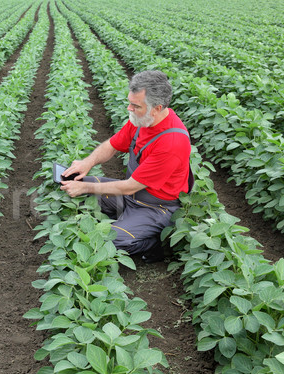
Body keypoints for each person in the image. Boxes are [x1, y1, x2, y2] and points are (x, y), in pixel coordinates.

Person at [60, 70, 193, 263]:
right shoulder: (142, 120)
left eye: (135, 105)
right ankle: (126, 222)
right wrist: (86, 163)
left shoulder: (172, 141)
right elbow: (112, 145)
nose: (129, 108)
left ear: (156, 108)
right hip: (130, 195)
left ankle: (154, 243)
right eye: (129, 102)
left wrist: (87, 187)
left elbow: (131, 185)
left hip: (155, 207)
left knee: (106, 243)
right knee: (70, 182)